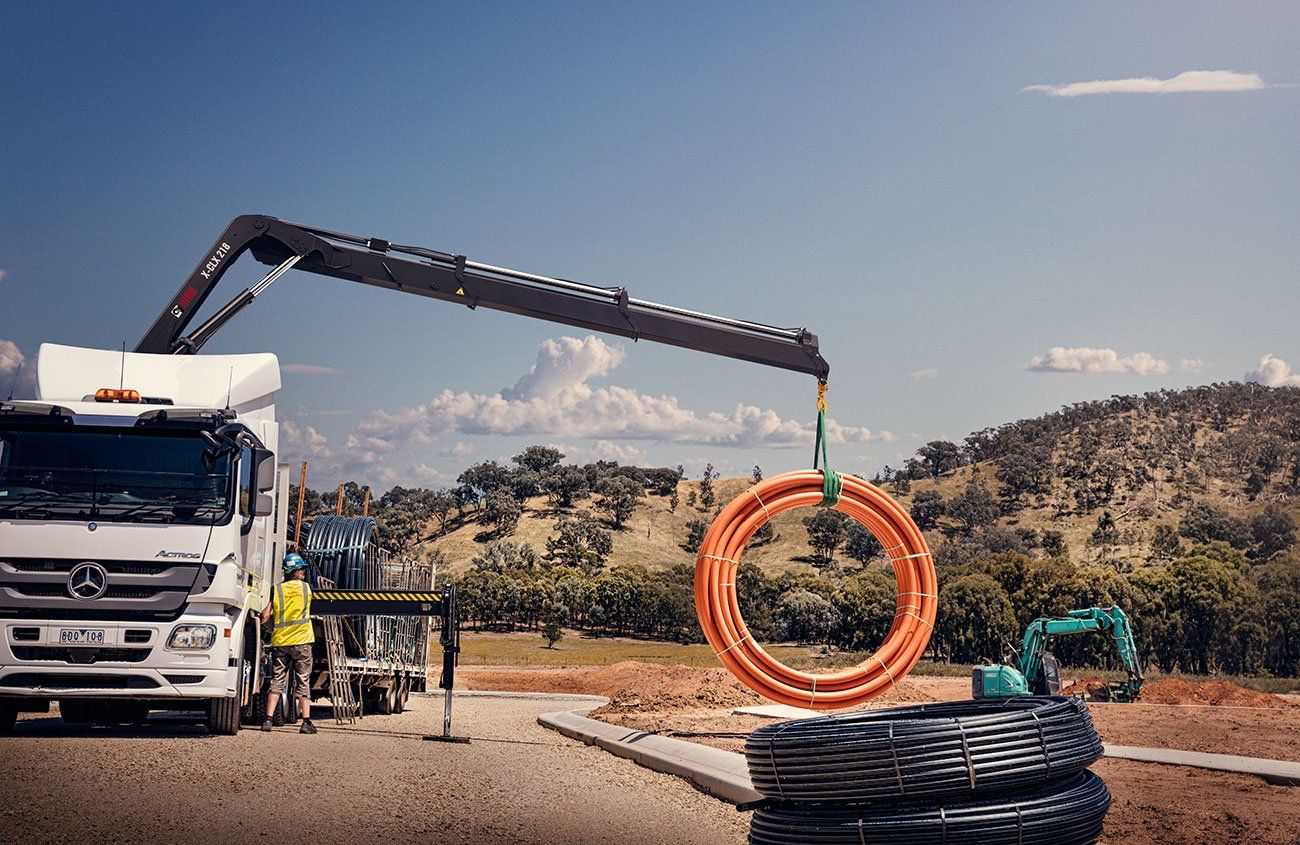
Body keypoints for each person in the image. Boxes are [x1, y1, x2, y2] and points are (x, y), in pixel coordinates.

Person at [261, 552, 317, 734]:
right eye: (301, 569)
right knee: (303, 680)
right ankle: (306, 722)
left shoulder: (276, 590)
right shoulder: (307, 589)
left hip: (281, 641)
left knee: (277, 680)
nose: (303, 571)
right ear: (295, 571)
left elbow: (265, 616)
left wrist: (272, 628)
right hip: (302, 641)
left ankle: (268, 720)